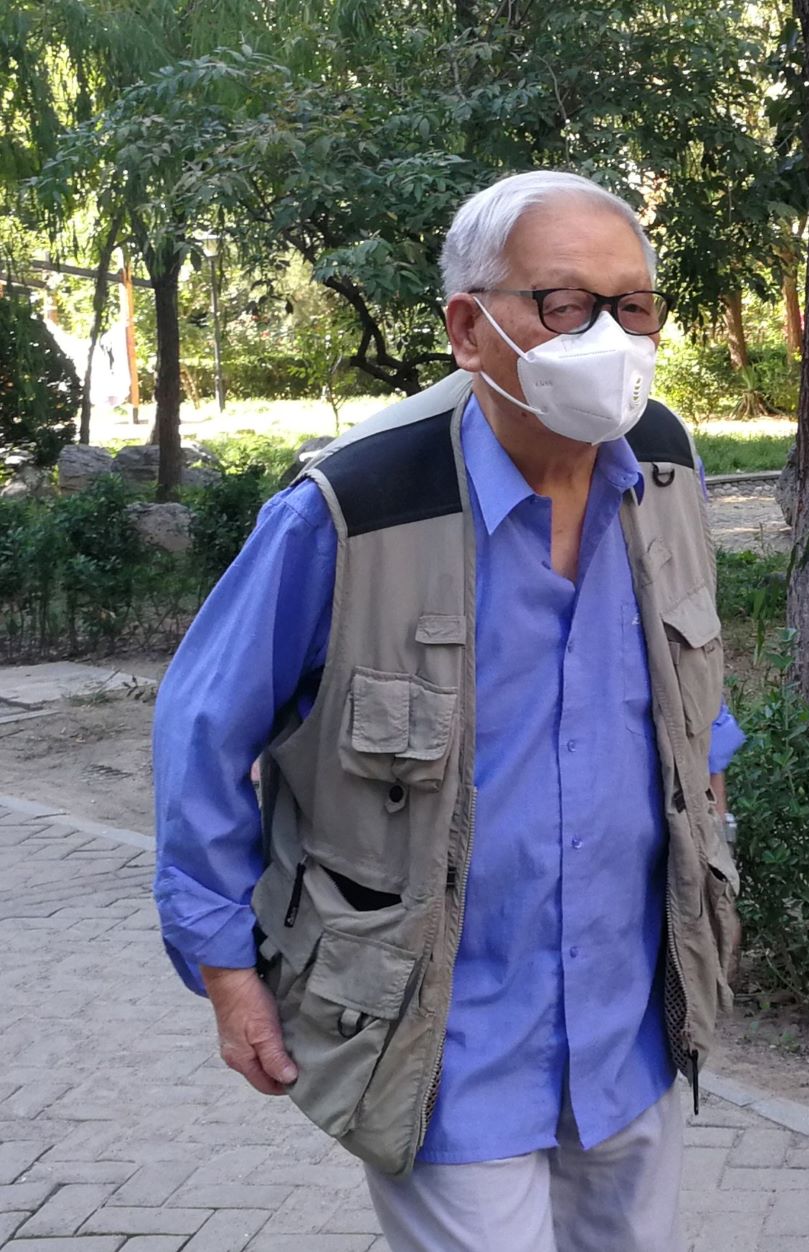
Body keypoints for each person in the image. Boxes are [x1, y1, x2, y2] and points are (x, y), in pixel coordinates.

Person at [151, 170, 743, 1252]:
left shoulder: (663, 461)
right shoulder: (356, 505)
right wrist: (229, 973)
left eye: (633, 307)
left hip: (629, 1017)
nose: (607, 337)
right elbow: (203, 733)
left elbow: (693, 685)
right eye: (564, 305)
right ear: (469, 327)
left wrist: (708, 824)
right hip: (443, 1028)